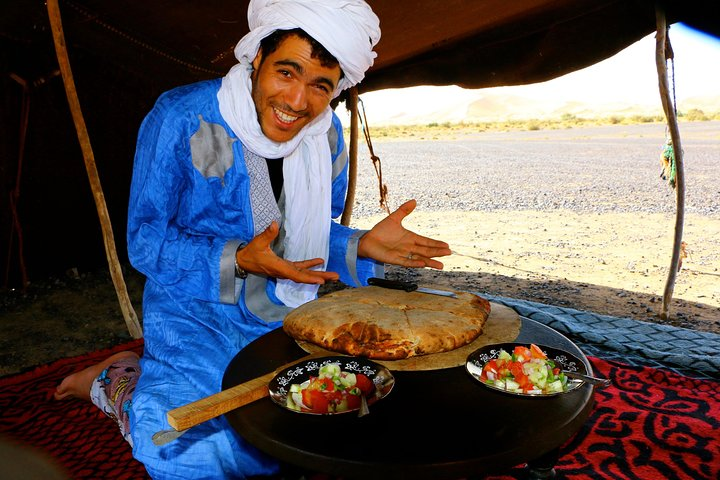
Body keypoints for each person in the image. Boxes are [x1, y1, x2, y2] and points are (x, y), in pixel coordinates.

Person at [54, 0, 451, 478]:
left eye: (320, 85)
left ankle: (128, 376)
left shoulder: (325, 138)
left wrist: (359, 244)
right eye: (287, 71)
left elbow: (309, 233)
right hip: (195, 316)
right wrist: (240, 258)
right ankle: (114, 383)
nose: (298, 102)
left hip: (288, 314)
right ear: (257, 56)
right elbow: (145, 240)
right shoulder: (182, 117)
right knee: (193, 447)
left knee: (339, 419)